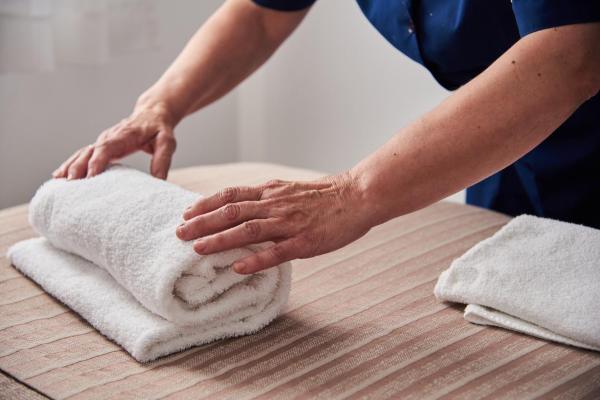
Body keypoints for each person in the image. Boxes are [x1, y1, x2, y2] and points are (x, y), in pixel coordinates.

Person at [53, 0, 600, 274]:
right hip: (511, 147)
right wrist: (159, 106)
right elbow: (263, 15)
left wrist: (352, 193)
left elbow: (570, 56)